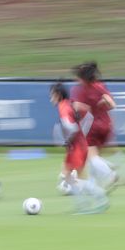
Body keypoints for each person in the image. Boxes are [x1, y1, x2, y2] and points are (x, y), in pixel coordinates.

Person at [51, 82, 108, 214]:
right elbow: (89, 116)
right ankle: (83, 204)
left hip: (76, 148)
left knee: (72, 177)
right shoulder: (70, 103)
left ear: (58, 95)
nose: (51, 99)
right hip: (79, 145)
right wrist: (82, 135)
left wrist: (67, 139)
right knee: (69, 176)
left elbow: (71, 128)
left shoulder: (63, 107)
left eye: (52, 95)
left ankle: (99, 195)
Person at [71, 62, 118, 188]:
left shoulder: (81, 89)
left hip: (92, 126)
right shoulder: (99, 86)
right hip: (106, 124)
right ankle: (93, 184)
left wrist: (84, 107)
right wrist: (101, 103)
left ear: (82, 78)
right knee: (95, 156)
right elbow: (112, 104)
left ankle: (109, 173)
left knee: (90, 155)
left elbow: (76, 106)